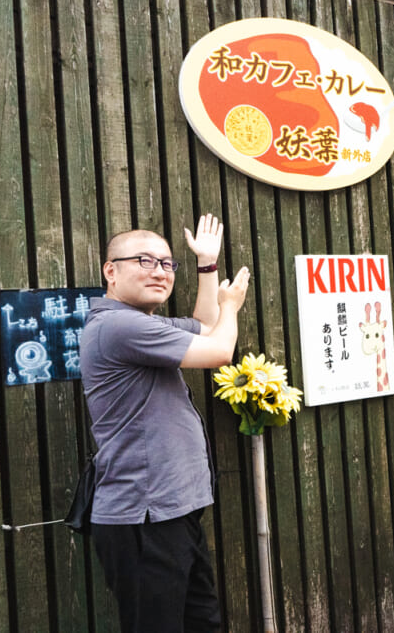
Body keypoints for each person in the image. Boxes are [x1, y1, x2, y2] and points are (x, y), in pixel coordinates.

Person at [79, 214, 250, 632]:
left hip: (171, 511)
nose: (159, 271)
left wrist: (207, 265)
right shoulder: (118, 325)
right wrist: (231, 305)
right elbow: (219, 350)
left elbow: (206, 327)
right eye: (144, 261)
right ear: (111, 271)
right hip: (144, 515)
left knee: (201, 623)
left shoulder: (143, 324)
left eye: (167, 263)